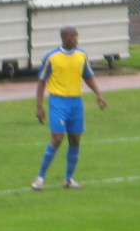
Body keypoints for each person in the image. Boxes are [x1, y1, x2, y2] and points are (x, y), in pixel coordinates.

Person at [32, 27, 107, 190]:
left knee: (75, 138)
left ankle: (68, 179)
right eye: (73, 36)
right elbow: (41, 81)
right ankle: (40, 178)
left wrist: (99, 94)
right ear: (64, 38)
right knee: (57, 138)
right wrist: (39, 107)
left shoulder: (81, 55)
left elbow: (88, 76)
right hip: (58, 102)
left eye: (76, 36)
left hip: (76, 103)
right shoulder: (52, 57)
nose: (76, 39)